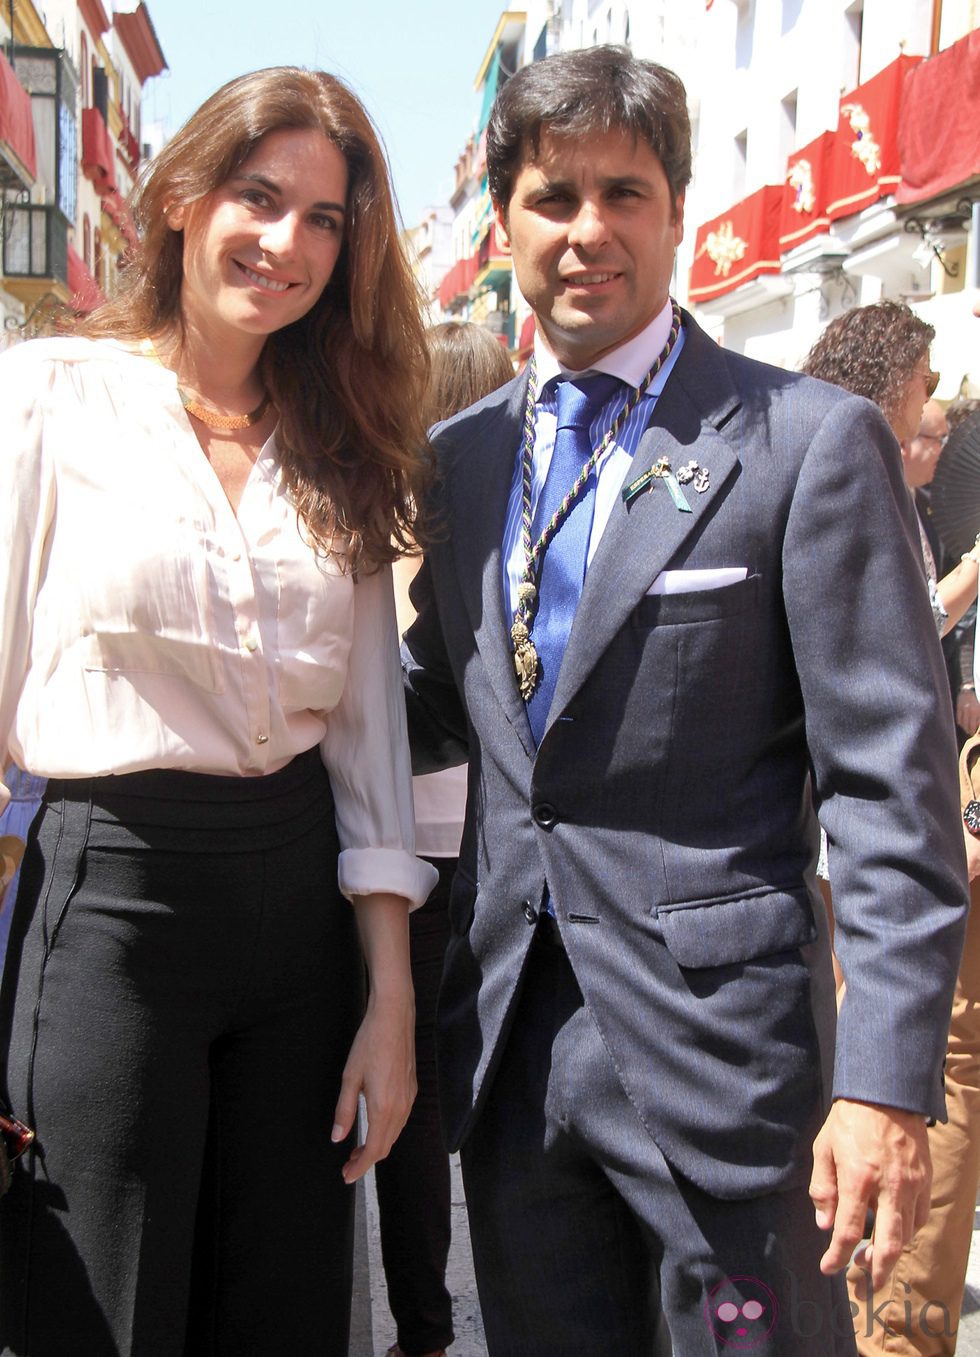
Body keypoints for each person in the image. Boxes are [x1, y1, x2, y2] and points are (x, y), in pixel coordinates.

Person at [401, 45, 968, 1356]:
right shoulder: (464, 461)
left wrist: (884, 1082)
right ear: (506, 223)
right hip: (515, 1057)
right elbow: (446, 702)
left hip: (727, 1073)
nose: (588, 230)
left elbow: (895, 782)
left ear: (678, 211)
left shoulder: (806, 443)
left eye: (625, 192)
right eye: (553, 197)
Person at [0, 66, 436, 1357]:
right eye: (261, 197)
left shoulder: (341, 435)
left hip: (300, 923)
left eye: (324, 220)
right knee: (100, 1308)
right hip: (110, 910)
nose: (287, 242)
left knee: (287, 1313)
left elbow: (368, 742)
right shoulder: (48, 398)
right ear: (186, 197)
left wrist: (389, 1007)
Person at [380, 322, 513, 1357]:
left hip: (402, 855)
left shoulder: (384, 528)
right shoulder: (504, 526)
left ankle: (423, 1326)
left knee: (411, 1091)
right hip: (488, 849)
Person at [803, 304, 977, 638]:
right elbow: (915, 623)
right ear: (892, 379)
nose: (930, 395)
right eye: (928, 379)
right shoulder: (853, 475)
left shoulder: (863, 463)